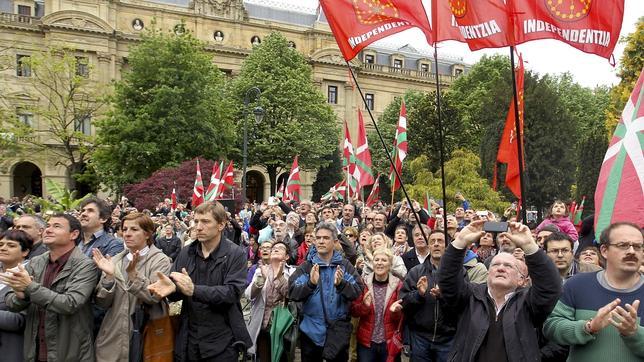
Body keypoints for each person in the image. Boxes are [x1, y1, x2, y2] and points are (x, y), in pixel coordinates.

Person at [438, 220, 561, 361]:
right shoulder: (470, 296)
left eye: (508, 266)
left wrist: (529, 246)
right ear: (488, 273)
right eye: (495, 264)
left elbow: (550, 287)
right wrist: (460, 242)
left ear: (521, 280)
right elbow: (447, 279)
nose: (501, 268)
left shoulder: (528, 302)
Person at [147, 201, 251, 361]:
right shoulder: (186, 253)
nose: (199, 227)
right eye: (196, 221)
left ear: (221, 225)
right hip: (189, 339)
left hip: (222, 340)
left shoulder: (235, 254)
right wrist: (172, 289)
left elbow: (232, 293)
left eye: (206, 221)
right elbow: (178, 292)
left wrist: (194, 290)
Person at [1, 213, 99, 361]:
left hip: (69, 352)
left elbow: (70, 303)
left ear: (74, 234)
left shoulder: (85, 265)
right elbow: (13, 303)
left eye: (56, 226)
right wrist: (21, 296)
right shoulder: (36, 262)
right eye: (47, 226)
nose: (48, 230)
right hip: (35, 351)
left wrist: (29, 287)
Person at [544, 222, 644, 361]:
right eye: (623, 245)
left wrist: (634, 333)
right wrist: (588, 327)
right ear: (604, 250)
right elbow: (551, 327)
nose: (632, 251)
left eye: (638, 246)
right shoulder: (578, 284)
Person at [92, 212, 172, 362]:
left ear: (148, 234)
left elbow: (153, 297)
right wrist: (108, 277)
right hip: (112, 337)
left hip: (147, 334)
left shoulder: (161, 260)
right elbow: (102, 303)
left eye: (134, 230)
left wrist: (134, 275)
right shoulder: (114, 261)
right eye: (125, 229)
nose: (127, 234)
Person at [288, 222, 364, 362]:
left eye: (326, 238)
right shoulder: (307, 266)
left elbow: (357, 292)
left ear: (335, 242)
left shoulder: (344, 265)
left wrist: (342, 284)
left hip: (337, 334)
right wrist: (310, 284)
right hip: (311, 333)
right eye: (318, 238)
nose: (321, 241)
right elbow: (292, 292)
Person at [400, 229, 456, 362]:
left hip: (448, 339)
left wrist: (444, 296)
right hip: (420, 338)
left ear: (447, 246)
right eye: (432, 241)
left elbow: (463, 303)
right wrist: (418, 294)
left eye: (440, 241)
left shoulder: (457, 273)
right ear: (428, 246)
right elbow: (404, 303)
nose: (436, 244)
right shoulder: (415, 272)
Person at [351, 247, 404, 362]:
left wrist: (396, 312)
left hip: (389, 342)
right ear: (372, 262)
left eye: (384, 260)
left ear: (390, 264)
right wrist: (364, 306)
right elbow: (354, 311)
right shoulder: (363, 282)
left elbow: (401, 319)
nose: (379, 263)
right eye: (376, 260)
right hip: (367, 342)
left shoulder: (398, 285)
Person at [245, 240, 294, 361]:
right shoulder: (260, 271)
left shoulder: (292, 272)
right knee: (263, 357)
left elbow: (290, 295)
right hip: (262, 324)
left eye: (280, 248)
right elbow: (248, 295)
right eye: (273, 248)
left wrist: (278, 278)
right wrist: (261, 279)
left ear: (287, 256)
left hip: (281, 327)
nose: (275, 249)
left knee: (281, 357)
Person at [0, 230, 33, 361]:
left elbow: (21, 320)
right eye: (1, 244)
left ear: (25, 252)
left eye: (11, 245)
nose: (3, 248)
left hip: (10, 349)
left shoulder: (30, 276)